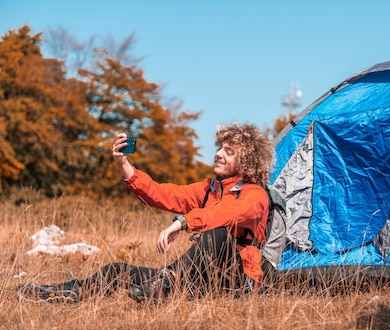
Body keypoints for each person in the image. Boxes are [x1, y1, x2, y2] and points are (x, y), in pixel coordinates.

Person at [18, 123, 274, 303]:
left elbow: (228, 213)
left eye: (228, 152)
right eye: (220, 148)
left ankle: (166, 282)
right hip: (199, 279)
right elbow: (164, 194)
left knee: (218, 234)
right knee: (117, 270)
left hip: (237, 283)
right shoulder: (209, 189)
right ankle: (66, 291)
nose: (218, 153)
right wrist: (124, 166)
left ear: (246, 162)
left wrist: (183, 222)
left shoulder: (255, 195)